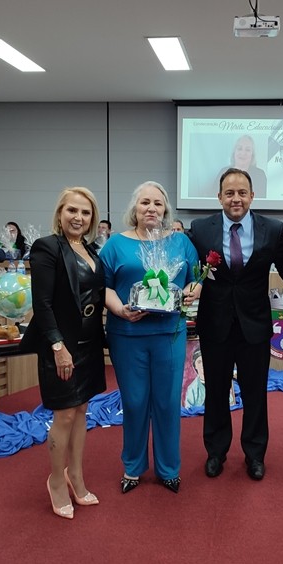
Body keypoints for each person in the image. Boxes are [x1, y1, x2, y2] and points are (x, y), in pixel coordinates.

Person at [189, 168, 283, 481]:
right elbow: (190, 271)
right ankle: (216, 452)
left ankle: (255, 455)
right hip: (215, 323)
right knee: (216, 391)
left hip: (255, 326)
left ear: (252, 196)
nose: (236, 198)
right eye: (229, 193)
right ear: (219, 197)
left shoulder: (272, 229)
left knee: (255, 392)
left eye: (242, 192)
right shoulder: (200, 229)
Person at [99, 181, 199, 494]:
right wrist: (119, 310)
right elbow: (102, 286)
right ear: (135, 209)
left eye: (157, 203)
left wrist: (190, 293)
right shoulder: (115, 244)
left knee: (168, 402)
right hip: (127, 334)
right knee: (135, 401)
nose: (151, 208)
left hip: (169, 334)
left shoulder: (181, 243)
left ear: (166, 210)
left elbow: (197, 280)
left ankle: (169, 469)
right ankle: (133, 466)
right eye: (145, 203)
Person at [20, 187, 106, 520]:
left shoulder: (92, 249)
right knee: (65, 415)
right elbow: (41, 303)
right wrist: (58, 346)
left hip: (89, 343)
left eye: (85, 213)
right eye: (72, 210)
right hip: (61, 345)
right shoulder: (46, 247)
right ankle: (56, 480)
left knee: (82, 410)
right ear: (60, 213)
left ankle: (76, 475)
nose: (78, 218)